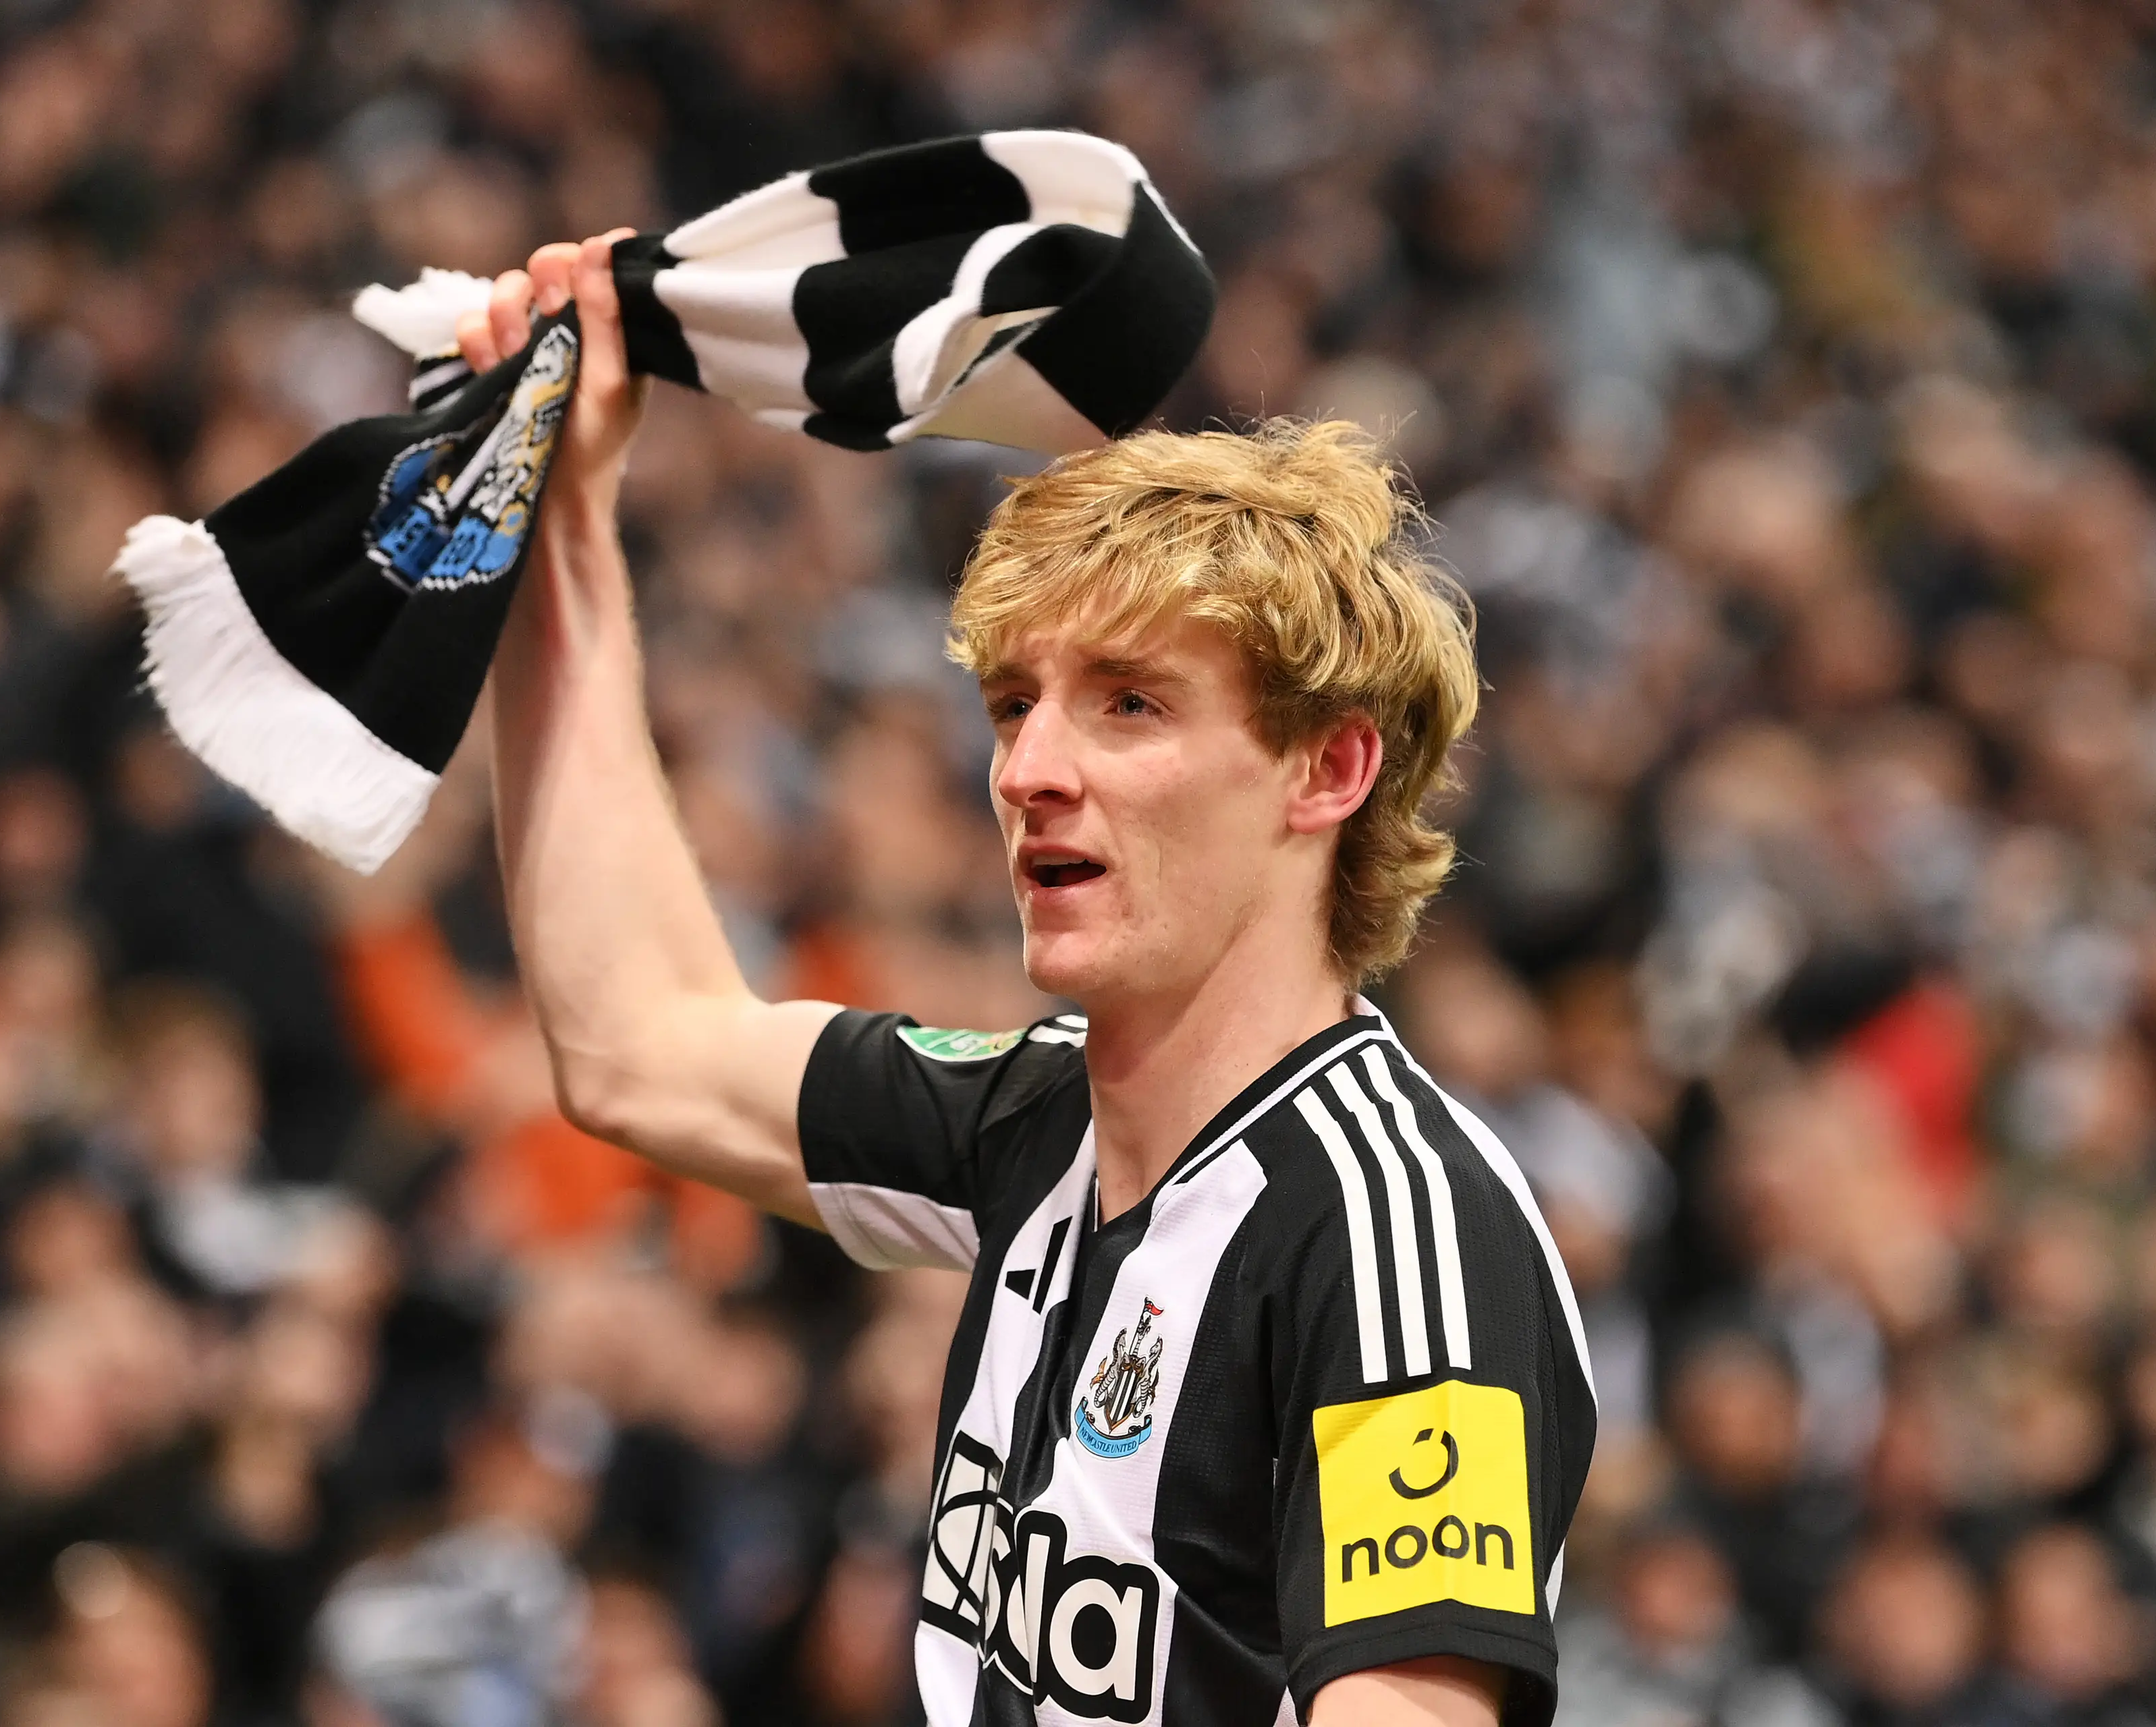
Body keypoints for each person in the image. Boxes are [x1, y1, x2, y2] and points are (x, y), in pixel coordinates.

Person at [462, 231, 1597, 1727]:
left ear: (1327, 769)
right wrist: (559, 533)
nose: (1028, 770)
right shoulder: (1038, 1115)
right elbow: (636, 1045)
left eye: (1129, 704)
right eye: (1014, 705)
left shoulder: (1402, 1240)